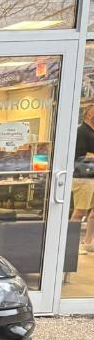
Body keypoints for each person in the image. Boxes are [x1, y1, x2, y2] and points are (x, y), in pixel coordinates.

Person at [74, 104, 94, 254]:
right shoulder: (81, 131)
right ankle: (71, 244)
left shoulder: (92, 132)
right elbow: (81, 155)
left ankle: (88, 242)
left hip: (92, 176)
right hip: (83, 177)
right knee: (80, 211)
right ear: (88, 114)